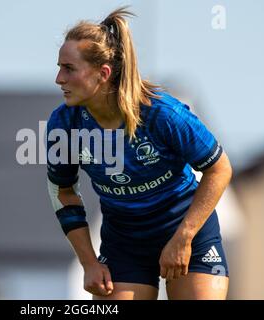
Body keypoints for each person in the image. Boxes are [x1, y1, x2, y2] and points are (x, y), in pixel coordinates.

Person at [46, 6, 232, 300]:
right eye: (59, 67)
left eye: (68, 68)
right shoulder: (63, 124)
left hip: (186, 232)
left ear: (102, 74)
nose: (59, 78)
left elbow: (220, 169)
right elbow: (64, 191)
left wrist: (183, 239)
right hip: (125, 243)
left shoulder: (162, 114)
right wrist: (89, 263)